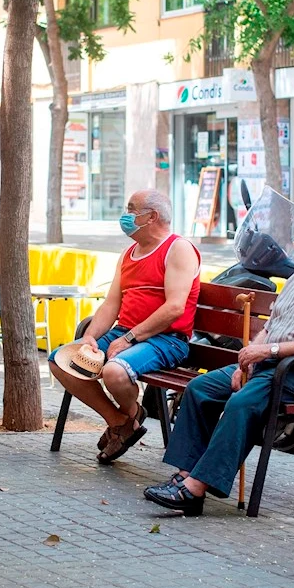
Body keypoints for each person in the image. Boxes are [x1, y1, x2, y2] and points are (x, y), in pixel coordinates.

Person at [143, 209, 294, 516]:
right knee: (200, 388)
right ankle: (185, 474)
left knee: (242, 403)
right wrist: (244, 362)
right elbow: (270, 326)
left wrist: (267, 352)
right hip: (273, 365)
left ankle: (195, 489)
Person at [48, 190, 201, 463]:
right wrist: (90, 337)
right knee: (60, 361)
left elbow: (174, 307)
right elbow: (111, 304)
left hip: (166, 339)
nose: (125, 215)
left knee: (115, 372)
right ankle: (121, 421)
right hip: (126, 332)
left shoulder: (178, 249)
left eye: (132, 209)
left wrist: (130, 338)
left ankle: (125, 422)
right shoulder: (129, 253)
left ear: (151, 216)